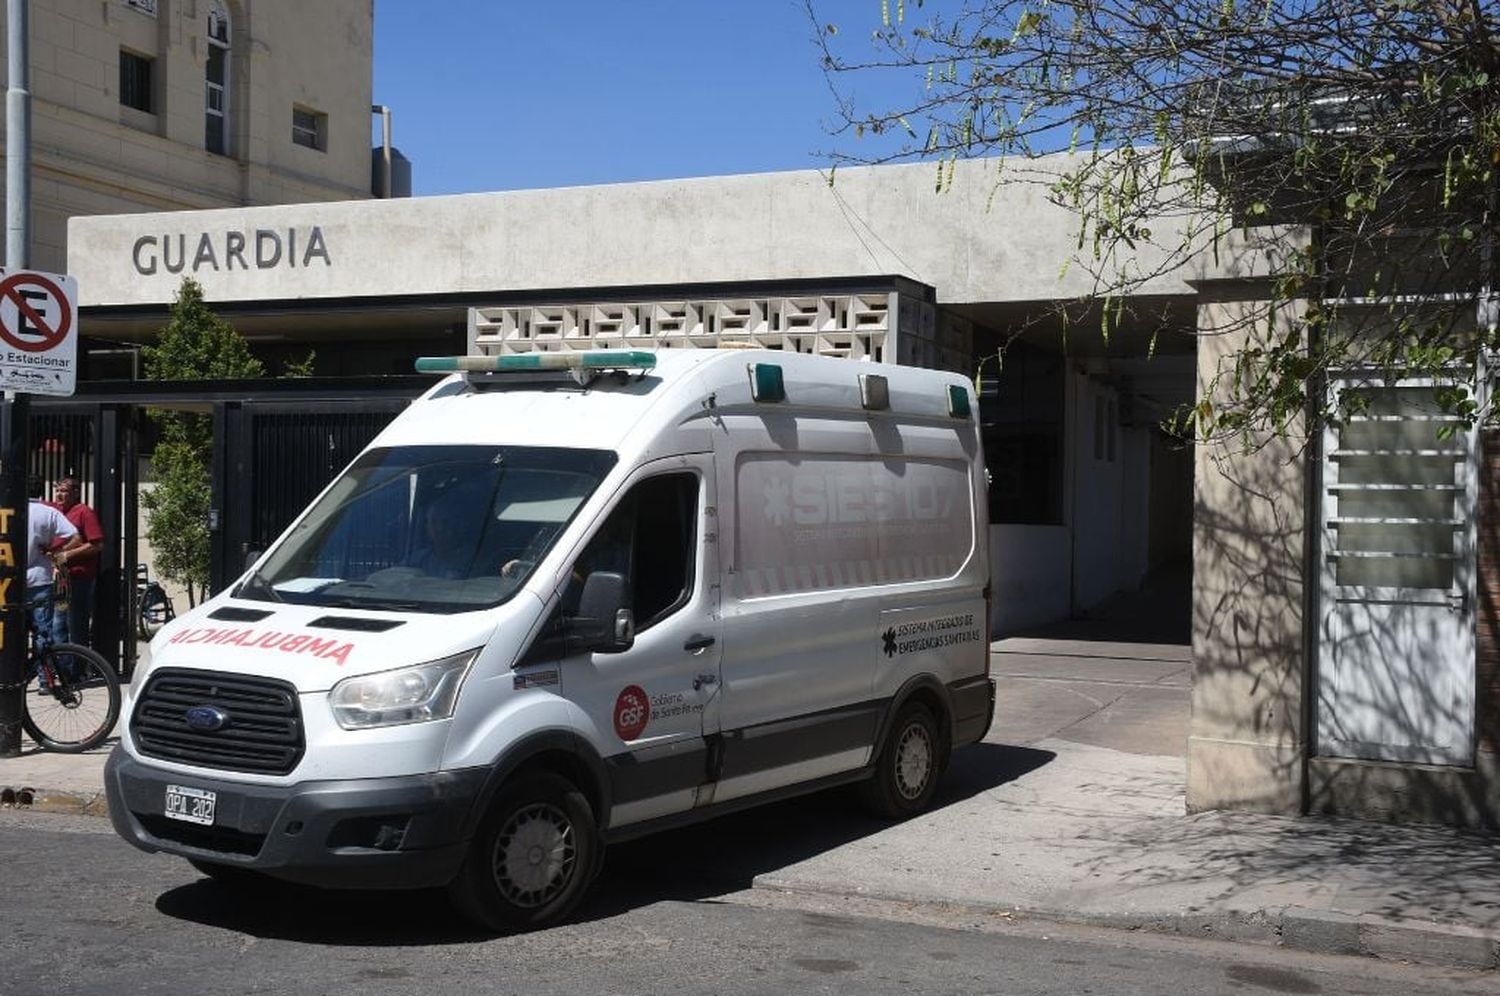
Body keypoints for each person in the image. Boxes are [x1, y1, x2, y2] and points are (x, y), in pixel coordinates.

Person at [25, 475, 80, 656]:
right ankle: (45, 679)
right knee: (42, 633)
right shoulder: (48, 513)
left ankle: (13, 675)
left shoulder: (9, 510)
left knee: (12, 631)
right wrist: (55, 551)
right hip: (40, 578)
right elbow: (75, 536)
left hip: (12, 580)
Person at [48, 476, 104, 648]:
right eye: (57, 490)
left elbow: (97, 545)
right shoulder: (56, 511)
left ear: (76, 493)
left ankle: (77, 671)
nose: (59, 494)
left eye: (64, 491)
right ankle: (63, 669)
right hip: (62, 577)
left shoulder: (84, 512)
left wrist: (67, 555)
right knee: (58, 625)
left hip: (79, 579)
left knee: (76, 626)